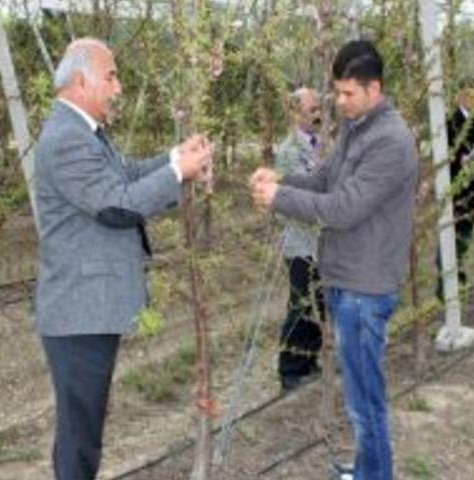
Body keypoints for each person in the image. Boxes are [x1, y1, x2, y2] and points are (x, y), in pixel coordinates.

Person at [32, 38, 213, 480]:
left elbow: (126, 174)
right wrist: (178, 173)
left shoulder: (85, 132)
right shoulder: (66, 139)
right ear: (81, 81)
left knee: (84, 428)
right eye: (111, 76)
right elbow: (118, 206)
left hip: (88, 308)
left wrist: (175, 157)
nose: (118, 87)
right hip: (79, 312)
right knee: (80, 437)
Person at [251, 40, 418, 480]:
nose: (339, 102)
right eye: (336, 92)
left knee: (365, 404)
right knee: (359, 396)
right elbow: (326, 179)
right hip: (347, 280)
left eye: (348, 93)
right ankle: (365, 470)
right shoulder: (356, 127)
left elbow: (343, 208)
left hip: (366, 287)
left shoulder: (390, 142)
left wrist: (279, 198)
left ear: (374, 89)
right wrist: (282, 178)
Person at [275, 87, 325, 392]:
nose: (318, 115)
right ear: (295, 113)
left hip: (324, 241)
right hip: (301, 242)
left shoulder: (324, 145)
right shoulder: (288, 152)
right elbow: (292, 198)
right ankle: (290, 369)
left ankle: (310, 359)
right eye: (311, 110)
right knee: (301, 304)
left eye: (319, 108)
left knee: (322, 303)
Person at [436, 78, 474, 300]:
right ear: (460, 97)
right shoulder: (449, 123)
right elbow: (443, 157)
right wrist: (461, 160)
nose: (473, 100)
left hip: (472, 188)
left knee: (465, 236)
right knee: (450, 235)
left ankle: (459, 280)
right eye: (469, 95)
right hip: (454, 188)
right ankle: (443, 288)